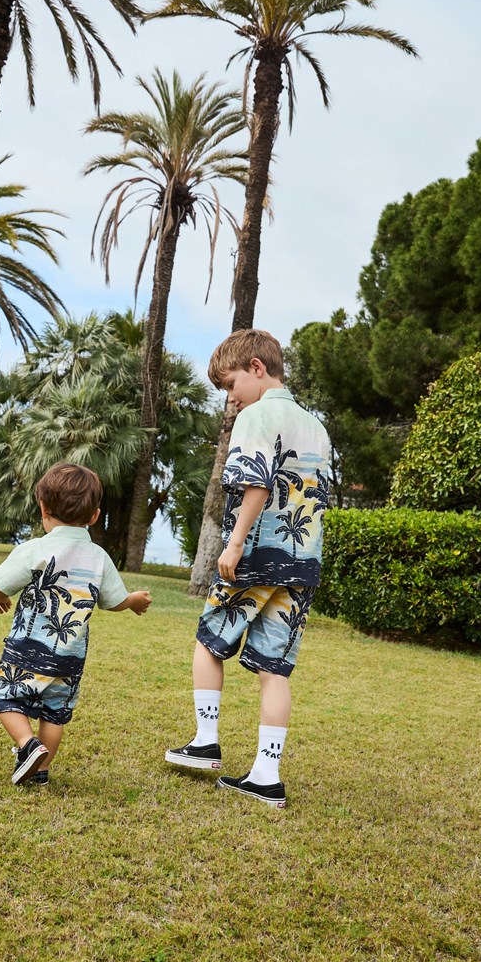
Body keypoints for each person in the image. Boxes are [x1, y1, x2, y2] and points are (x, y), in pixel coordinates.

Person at [165, 329, 331, 807]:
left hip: (258, 555)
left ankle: (205, 743)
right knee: (274, 669)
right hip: (303, 562)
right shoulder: (315, 425)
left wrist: (234, 544)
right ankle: (265, 774)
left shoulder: (257, 416)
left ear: (257, 367)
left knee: (208, 642)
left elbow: (255, 485)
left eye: (231, 383)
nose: (230, 397)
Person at [0, 462, 152, 785]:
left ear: (44, 508)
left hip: (27, 649)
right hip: (71, 658)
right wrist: (132, 601)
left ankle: (27, 745)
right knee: (55, 712)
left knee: (4, 695)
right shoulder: (99, 557)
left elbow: (1, 584)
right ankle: (40, 772)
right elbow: (113, 600)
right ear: (94, 516)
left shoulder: (35, 548)